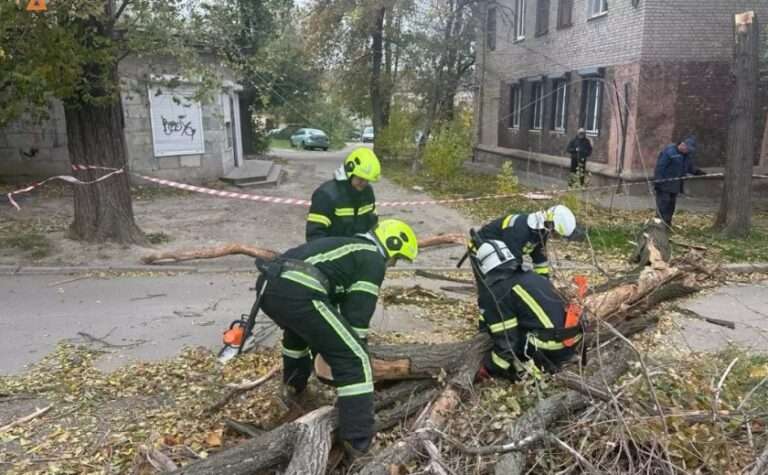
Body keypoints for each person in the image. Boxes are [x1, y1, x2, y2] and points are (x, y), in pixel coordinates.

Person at [258, 219, 418, 457]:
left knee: (297, 336)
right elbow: (357, 318)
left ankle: (294, 391)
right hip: (298, 289)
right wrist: (353, 352)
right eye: (396, 258)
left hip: (268, 286)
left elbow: (331, 314)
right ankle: (358, 443)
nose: (392, 264)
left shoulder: (348, 248)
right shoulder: (372, 258)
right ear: (392, 244)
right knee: (355, 359)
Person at [471, 240, 582, 381]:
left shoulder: (496, 292)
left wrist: (489, 368)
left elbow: (507, 343)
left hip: (548, 349)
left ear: (483, 266)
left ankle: (524, 370)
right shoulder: (530, 276)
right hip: (572, 340)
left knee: (509, 345)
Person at [473, 205, 577, 279]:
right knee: (498, 287)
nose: (553, 236)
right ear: (550, 224)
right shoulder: (519, 230)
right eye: (555, 233)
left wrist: (544, 280)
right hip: (481, 252)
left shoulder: (540, 232)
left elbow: (539, 258)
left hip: (501, 256)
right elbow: (512, 264)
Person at [306, 147, 380, 241]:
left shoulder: (367, 193)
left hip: (359, 248)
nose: (364, 184)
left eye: (367, 180)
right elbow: (315, 236)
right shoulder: (325, 195)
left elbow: (373, 224)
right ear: (349, 173)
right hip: (333, 249)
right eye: (361, 179)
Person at [653, 137, 705, 227]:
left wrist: (697, 172)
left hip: (675, 185)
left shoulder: (686, 155)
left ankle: (667, 225)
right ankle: (658, 226)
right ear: (682, 144)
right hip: (664, 184)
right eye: (687, 148)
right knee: (663, 206)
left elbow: (689, 167)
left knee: (671, 206)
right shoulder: (669, 152)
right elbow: (660, 167)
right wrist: (658, 181)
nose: (688, 151)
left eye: (690, 150)